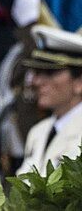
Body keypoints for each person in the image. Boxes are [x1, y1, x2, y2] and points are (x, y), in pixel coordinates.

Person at [16, 25, 82, 176]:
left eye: (50, 73)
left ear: (79, 82)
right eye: (37, 72)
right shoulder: (38, 132)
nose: (37, 81)